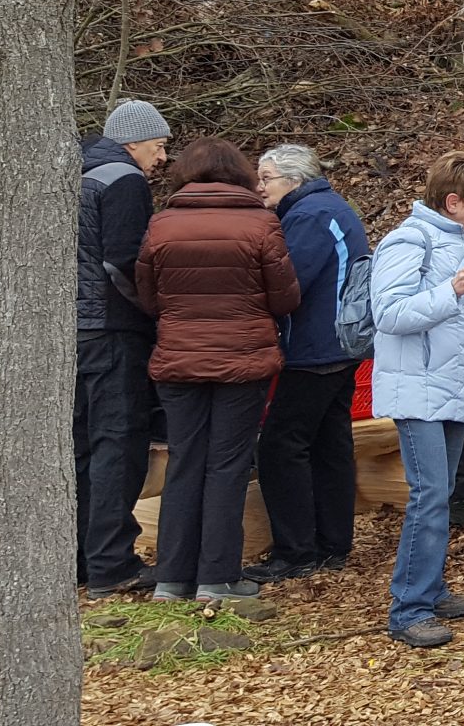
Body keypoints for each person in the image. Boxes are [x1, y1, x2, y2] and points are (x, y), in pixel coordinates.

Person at [134, 138, 299, 607]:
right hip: (241, 361)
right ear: (242, 175)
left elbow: (148, 297)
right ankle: (218, 577)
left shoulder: (161, 224)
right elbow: (286, 297)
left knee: (185, 462)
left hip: (178, 361)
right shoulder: (261, 223)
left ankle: (171, 577)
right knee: (226, 465)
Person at [371, 151, 464, 648]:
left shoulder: (462, 239)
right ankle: (408, 609)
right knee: (428, 497)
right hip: (418, 391)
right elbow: (387, 313)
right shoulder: (407, 241)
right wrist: (453, 288)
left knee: (443, 493)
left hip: (452, 389)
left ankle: (428, 591)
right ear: (454, 202)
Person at [245, 144, 369, 584]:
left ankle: (296, 551)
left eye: (267, 177)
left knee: (280, 446)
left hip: (315, 348)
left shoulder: (310, 215)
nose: (260, 186)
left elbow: (287, 282)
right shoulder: (327, 207)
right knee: (328, 444)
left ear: (294, 179)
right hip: (337, 346)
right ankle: (332, 544)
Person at [76, 98, 169, 599]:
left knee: (85, 445)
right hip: (113, 328)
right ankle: (112, 563)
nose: (159, 160)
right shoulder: (123, 180)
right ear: (133, 142)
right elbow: (124, 262)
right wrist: (155, 310)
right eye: (157, 147)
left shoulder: (76, 173)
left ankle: (82, 556)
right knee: (120, 442)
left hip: (73, 332)